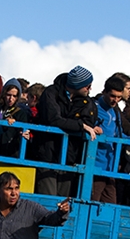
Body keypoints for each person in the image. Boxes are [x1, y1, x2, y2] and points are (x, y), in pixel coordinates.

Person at [34, 66, 100, 196]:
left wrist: (89, 126)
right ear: (77, 85)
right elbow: (54, 119)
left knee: (64, 202)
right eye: (87, 86)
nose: (90, 89)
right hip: (48, 153)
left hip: (69, 156)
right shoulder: (51, 93)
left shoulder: (85, 101)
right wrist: (81, 126)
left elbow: (88, 120)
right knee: (48, 199)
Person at [91, 75, 126, 203]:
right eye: (112, 96)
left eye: (119, 97)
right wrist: (92, 128)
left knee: (110, 206)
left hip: (110, 167)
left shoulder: (115, 112)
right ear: (104, 92)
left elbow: (119, 135)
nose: (115, 100)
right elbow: (82, 123)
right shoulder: (93, 108)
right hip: (95, 165)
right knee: (91, 203)